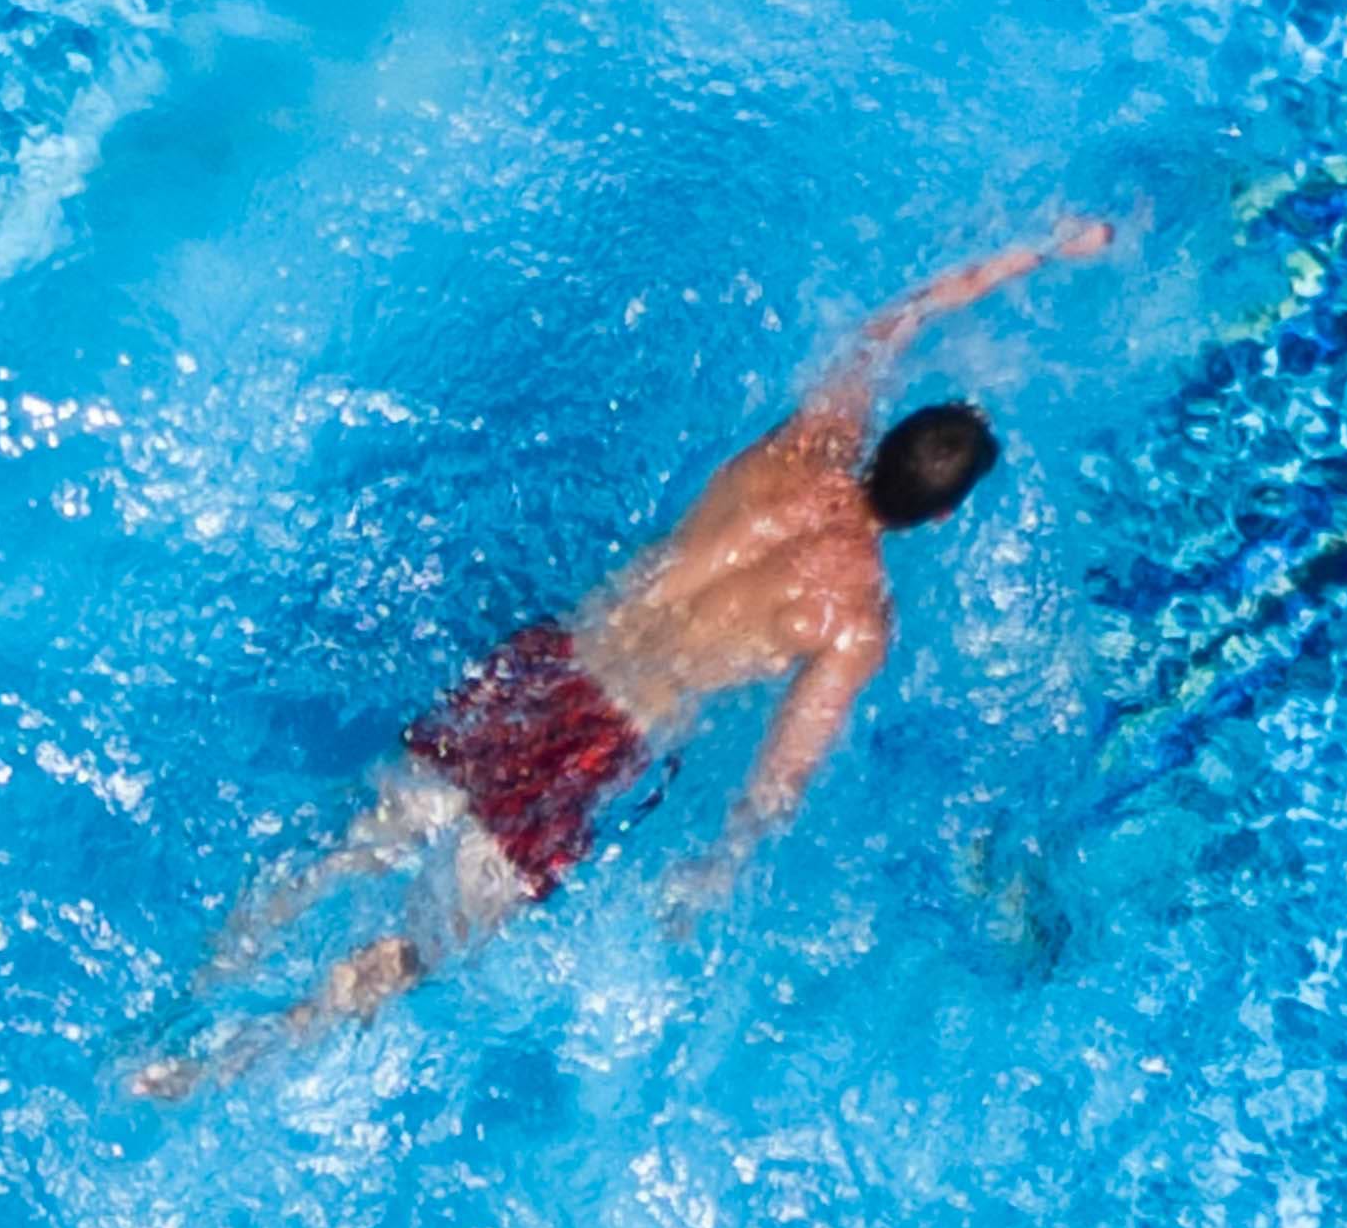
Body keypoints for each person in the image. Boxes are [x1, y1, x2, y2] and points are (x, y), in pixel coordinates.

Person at [145, 214, 1119, 1091]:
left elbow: (897, 318)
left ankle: (187, 992)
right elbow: (779, 776)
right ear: (942, 514)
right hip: (595, 743)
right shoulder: (854, 620)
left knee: (345, 850)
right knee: (413, 951)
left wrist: (1042, 249)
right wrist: (718, 865)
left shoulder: (809, 440)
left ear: (884, 436)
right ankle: (234, 1060)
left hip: (545, 664)